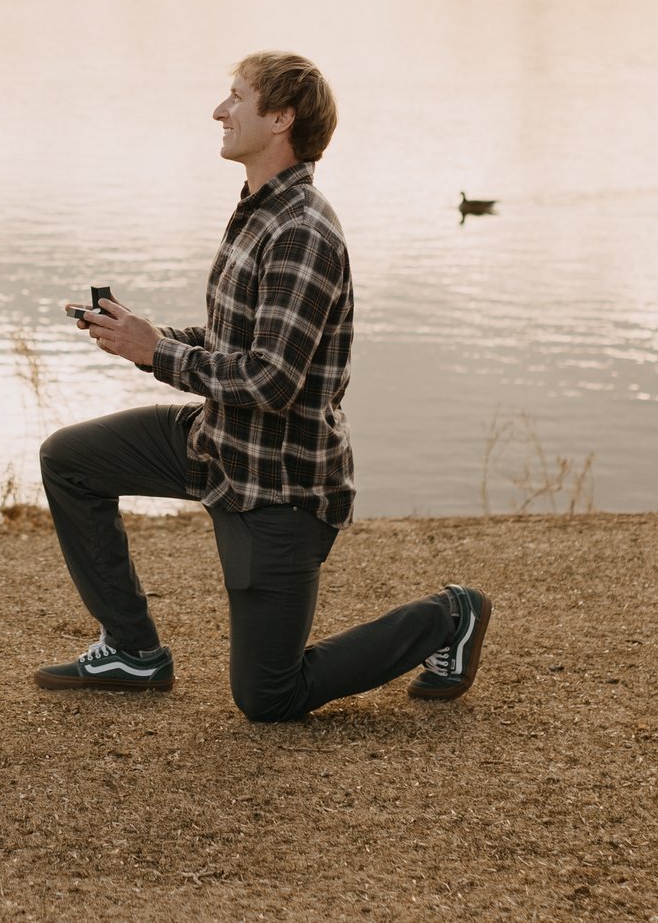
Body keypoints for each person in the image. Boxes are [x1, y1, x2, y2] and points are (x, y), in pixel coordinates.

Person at [37, 52, 490, 721]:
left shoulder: (302, 231)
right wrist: (149, 336)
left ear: (281, 117)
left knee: (268, 695)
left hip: (280, 484)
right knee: (70, 460)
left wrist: (158, 354)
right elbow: (237, 344)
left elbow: (272, 379)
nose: (220, 110)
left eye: (236, 97)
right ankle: (133, 648)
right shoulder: (258, 211)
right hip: (217, 443)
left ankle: (450, 616)